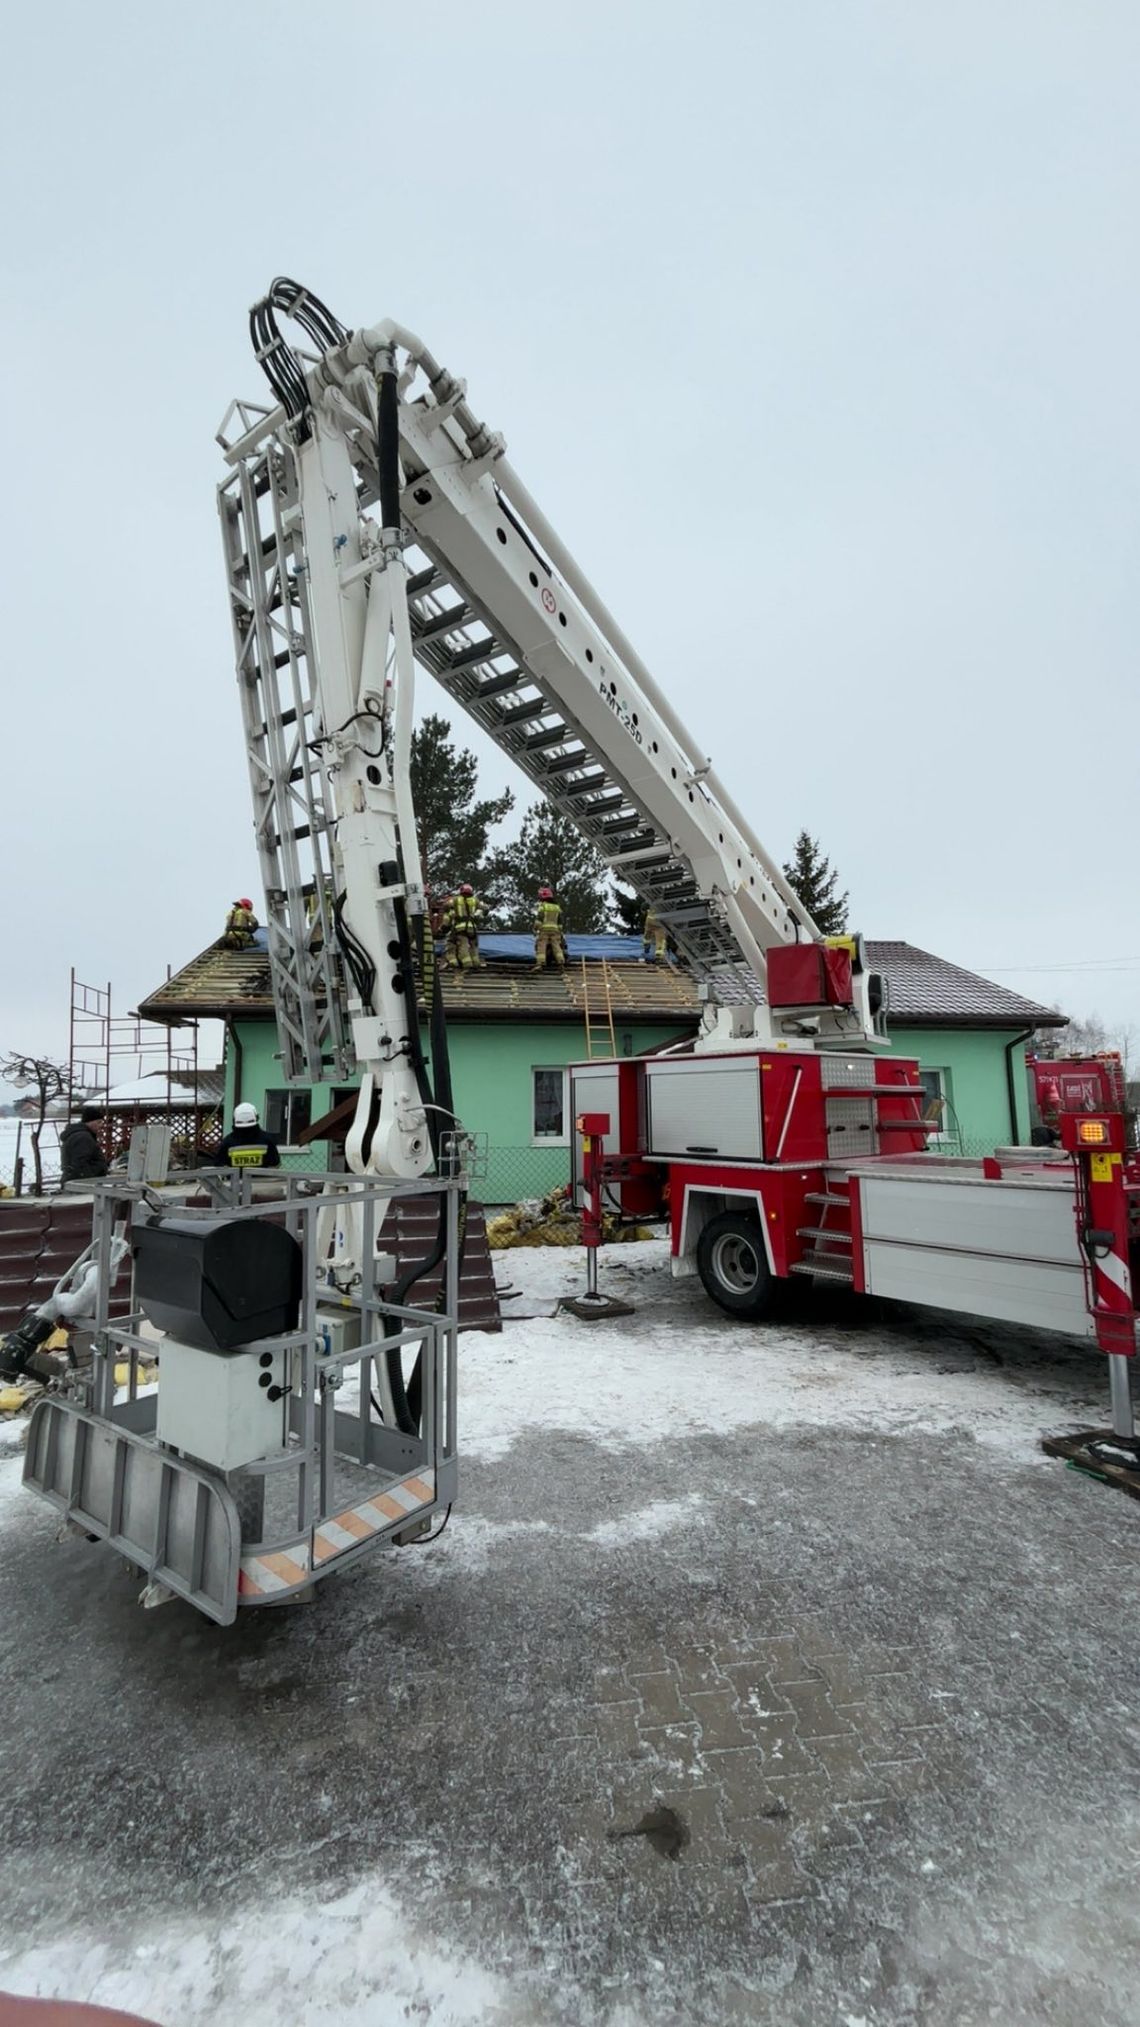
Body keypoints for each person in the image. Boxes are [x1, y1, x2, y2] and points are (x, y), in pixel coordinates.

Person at [218, 1101, 281, 1169]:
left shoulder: (227, 1142)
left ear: (234, 1119)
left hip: (234, 1180)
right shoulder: (268, 1140)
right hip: (263, 1179)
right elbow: (275, 1165)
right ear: (256, 1117)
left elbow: (219, 1166)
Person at [60, 1106, 109, 1183]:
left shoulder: (79, 1135)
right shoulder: (83, 1138)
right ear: (90, 1122)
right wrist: (91, 1177)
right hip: (82, 1184)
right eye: (98, 1122)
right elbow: (80, 1165)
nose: (101, 1126)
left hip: (75, 1180)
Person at [448, 883, 487, 969]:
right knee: (474, 946)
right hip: (472, 928)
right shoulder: (475, 900)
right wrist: (479, 914)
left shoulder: (455, 899)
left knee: (463, 946)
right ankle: (476, 964)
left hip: (460, 928)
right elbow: (485, 908)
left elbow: (448, 908)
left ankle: (467, 965)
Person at [533, 885, 566, 971]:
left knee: (541, 945)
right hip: (555, 931)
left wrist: (535, 928)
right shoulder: (557, 907)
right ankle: (561, 962)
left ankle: (540, 964)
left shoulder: (543, 906)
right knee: (557, 946)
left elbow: (539, 919)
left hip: (544, 930)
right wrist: (560, 930)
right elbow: (560, 922)